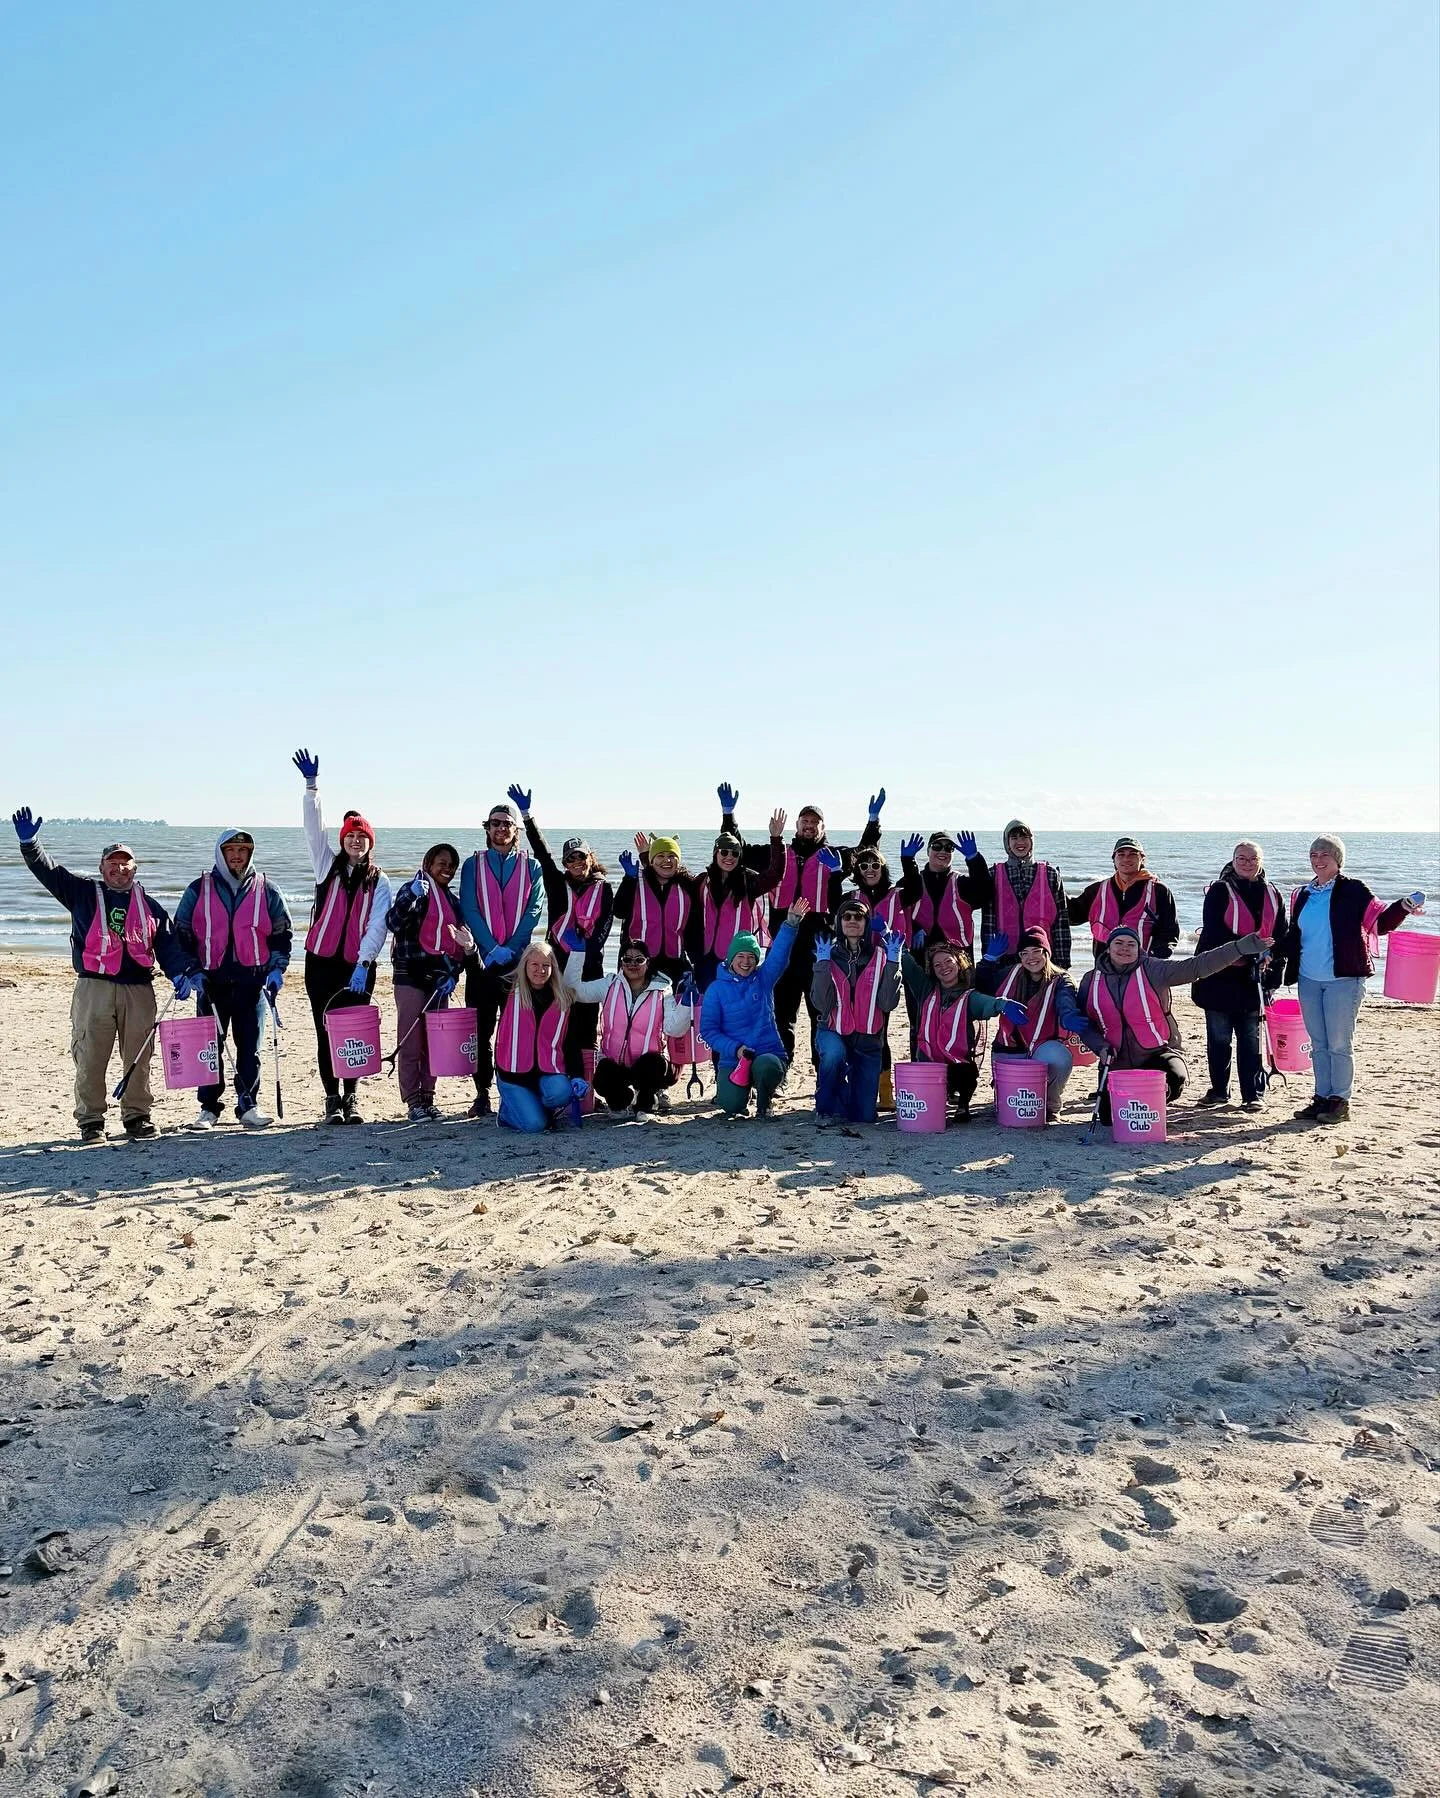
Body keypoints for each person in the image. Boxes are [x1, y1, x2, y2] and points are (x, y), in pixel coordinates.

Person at [12, 808, 192, 1142]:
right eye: (113, 862)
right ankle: (91, 1120)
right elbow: (48, 872)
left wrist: (181, 974)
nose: (119, 869)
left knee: (139, 1055)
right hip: (94, 988)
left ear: (134, 870)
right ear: (102, 867)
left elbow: (168, 945)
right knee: (91, 1055)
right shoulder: (81, 894)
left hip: (138, 990)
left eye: (126, 864)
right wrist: (30, 844)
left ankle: (137, 1116)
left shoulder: (151, 906)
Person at [717, 782, 885, 1065]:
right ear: (796, 824)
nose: (809, 826)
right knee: (782, 1011)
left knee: (821, 1011)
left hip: (819, 947)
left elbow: (866, 851)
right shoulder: (778, 851)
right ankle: (782, 1066)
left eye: (815, 822)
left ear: (823, 828)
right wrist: (728, 814)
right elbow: (738, 851)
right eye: (805, 821)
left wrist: (873, 820)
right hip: (783, 946)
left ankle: (823, 1070)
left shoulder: (834, 856)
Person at [1279, 834, 1423, 1125]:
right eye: (1314, 855)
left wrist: (1403, 907)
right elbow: (1295, 935)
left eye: (1325, 855)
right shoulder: (1302, 894)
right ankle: (1321, 1097)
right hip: (1308, 978)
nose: (1318, 860)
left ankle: (1339, 1101)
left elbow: (1379, 923)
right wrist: (1272, 952)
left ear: (1337, 860)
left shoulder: (1354, 890)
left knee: (1339, 1044)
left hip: (1344, 979)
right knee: (1318, 1043)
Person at [1076, 922, 1270, 1124]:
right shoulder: (1090, 980)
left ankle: (1151, 1099)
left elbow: (1198, 966)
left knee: (1174, 1079)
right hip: (1116, 1061)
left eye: (1131, 944)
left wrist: (1239, 947)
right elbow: (1084, 1024)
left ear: (1139, 948)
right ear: (1108, 948)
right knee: (1108, 1119)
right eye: (1119, 943)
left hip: (1158, 1053)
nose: (1124, 948)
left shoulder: (1154, 969)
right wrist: (1100, 1046)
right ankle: (1138, 1098)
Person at [292, 748, 393, 1124]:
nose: (356, 842)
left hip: (357, 965)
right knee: (325, 1029)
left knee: (352, 1032)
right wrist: (311, 788)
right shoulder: (325, 866)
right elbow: (312, 830)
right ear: (344, 840)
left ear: (370, 843)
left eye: (362, 838)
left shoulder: (378, 879)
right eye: (351, 836)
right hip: (320, 962)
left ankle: (352, 1098)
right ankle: (331, 1099)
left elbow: (378, 925)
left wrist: (364, 963)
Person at [174, 831, 294, 1130]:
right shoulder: (197, 889)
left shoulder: (268, 890)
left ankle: (248, 1106)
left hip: (252, 985)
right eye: (231, 850)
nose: (237, 855)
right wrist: (191, 972)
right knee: (208, 1049)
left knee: (249, 1048)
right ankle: (208, 1110)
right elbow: (181, 936)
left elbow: (282, 936)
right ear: (220, 853)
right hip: (210, 984)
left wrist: (277, 970)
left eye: (243, 849)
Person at [507, 784, 613, 1054]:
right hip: (557, 961)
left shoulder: (604, 887)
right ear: (565, 863)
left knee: (587, 1023)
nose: (576, 863)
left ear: (590, 858)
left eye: (581, 857)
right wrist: (527, 815)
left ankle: (587, 1089)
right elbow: (542, 852)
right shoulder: (556, 882)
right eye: (570, 859)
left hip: (589, 963)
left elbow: (605, 925)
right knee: (558, 1021)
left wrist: (587, 953)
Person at [458, 804, 544, 1118]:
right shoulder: (472, 865)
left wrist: (511, 947)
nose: (500, 829)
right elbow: (469, 907)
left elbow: (534, 910)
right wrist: (491, 947)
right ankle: (482, 1093)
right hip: (482, 962)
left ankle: (513, 1091)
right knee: (481, 1031)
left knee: (516, 1031)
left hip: (516, 964)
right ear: (487, 828)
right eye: (495, 824)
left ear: (515, 830)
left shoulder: (531, 866)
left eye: (507, 824)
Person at [1192, 841, 1289, 1112]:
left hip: (1255, 981)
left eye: (1252, 858)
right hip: (1218, 977)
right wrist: (1251, 951)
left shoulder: (1273, 893)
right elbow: (1214, 933)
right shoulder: (1219, 892)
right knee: (1219, 1037)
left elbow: (1281, 934)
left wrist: (1273, 964)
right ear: (1233, 861)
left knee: (1250, 1039)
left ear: (1260, 861)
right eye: (1241, 858)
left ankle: (1253, 1094)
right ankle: (1219, 1091)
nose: (1247, 863)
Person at [698, 899, 811, 1119]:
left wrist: (790, 925)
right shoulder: (716, 989)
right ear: (731, 959)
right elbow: (708, 1031)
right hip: (734, 1058)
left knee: (767, 1066)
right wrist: (735, 1049)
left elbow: (778, 956)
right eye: (740, 956)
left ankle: (765, 1099)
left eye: (751, 957)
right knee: (730, 1105)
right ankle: (742, 1093)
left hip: (768, 1053)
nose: (746, 962)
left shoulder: (763, 978)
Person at [385, 845, 474, 1122]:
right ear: (428, 863)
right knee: (410, 1042)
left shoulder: (454, 903)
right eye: (441, 863)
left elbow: (460, 944)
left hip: (438, 980)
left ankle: (428, 1097)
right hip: (409, 976)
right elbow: (393, 923)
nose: (446, 869)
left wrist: (453, 974)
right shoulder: (413, 891)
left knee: (434, 1044)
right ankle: (413, 1101)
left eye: (452, 866)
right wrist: (411, 896)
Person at [564, 942, 694, 1122]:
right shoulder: (609, 984)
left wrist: (687, 1004)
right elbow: (574, 991)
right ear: (621, 962)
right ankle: (622, 1101)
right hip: (616, 1062)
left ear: (647, 963)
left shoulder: (662, 990)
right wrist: (577, 953)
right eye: (627, 959)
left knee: (654, 1064)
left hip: (648, 1065)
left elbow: (674, 1028)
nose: (633, 964)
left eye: (639, 960)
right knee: (602, 1077)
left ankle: (646, 1102)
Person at [900, 936, 1025, 1123]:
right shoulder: (925, 989)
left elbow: (985, 1003)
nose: (944, 967)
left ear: (959, 963)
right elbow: (910, 969)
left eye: (948, 961)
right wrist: (898, 949)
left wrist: (1002, 1005)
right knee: (928, 1092)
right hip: (929, 1058)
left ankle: (963, 1105)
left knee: (967, 1074)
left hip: (958, 1060)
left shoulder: (969, 995)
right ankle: (939, 1097)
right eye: (937, 965)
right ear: (932, 971)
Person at [980, 926, 1094, 1122]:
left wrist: (1068, 1016)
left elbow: (1066, 999)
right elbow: (981, 989)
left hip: (1043, 1046)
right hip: (1010, 1046)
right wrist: (988, 961)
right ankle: (1001, 1084)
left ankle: (1051, 1105)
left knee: (1060, 1056)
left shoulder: (1061, 978)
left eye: (1036, 951)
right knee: (1012, 1105)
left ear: (1046, 953)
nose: (1030, 958)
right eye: (1024, 953)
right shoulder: (1010, 973)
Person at [809, 896, 903, 1127]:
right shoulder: (826, 954)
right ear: (839, 922)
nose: (853, 921)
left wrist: (894, 963)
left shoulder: (882, 956)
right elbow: (821, 1004)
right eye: (847, 917)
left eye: (859, 917)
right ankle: (824, 1109)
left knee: (863, 1117)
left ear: (866, 923)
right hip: (833, 1029)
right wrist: (821, 966)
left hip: (868, 1038)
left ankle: (845, 1096)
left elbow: (888, 1004)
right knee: (832, 1056)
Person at [494, 941, 589, 1133]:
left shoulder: (563, 998)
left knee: (562, 1092)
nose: (540, 970)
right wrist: (471, 951)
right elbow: (480, 977)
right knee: (535, 1125)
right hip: (513, 1076)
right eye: (535, 965)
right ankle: (506, 1112)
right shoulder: (507, 989)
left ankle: (532, 1105)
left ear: (553, 968)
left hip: (547, 1071)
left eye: (546, 965)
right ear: (525, 965)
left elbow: (571, 1043)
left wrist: (578, 1076)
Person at [689, 814, 785, 992]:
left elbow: (774, 875)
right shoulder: (702, 881)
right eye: (724, 852)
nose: (729, 857)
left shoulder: (748, 881)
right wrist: (694, 954)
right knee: (706, 1008)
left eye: (735, 853)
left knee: (735, 1009)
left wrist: (776, 839)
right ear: (715, 853)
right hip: (705, 959)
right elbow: (672, 878)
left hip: (737, 959)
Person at [1068, 838, 1179, 960]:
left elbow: (1170, 932)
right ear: (1114, 860)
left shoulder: (1159, 891)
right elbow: (1072, 916)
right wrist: (1052, 888)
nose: (1126, 859)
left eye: (1132, 854)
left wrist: (1155, 958)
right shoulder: (1097, 890)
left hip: (1144, 967)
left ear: (1142, 859)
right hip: (1105, 967)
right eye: (1121, 854)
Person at [980, 820, 1072, 968]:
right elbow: (988, 922)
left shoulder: (1050, 874)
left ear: (1031, 840)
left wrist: (1063, 963)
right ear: (1007, 842)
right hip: (1005, 958)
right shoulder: (994, 874)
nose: (1020, 842)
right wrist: (989, 959)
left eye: (1024, 837)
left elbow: (1061, 921)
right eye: (1014, 838)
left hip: (1043, 957)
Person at [614, 833, 696, 988]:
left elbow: (692, 929)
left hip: (674, 962)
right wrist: (628, 880)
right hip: (638, 963)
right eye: (660, 856)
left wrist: (694, 963)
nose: (667, 860)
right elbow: (619, 910)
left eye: (672, 856)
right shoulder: (637, 881)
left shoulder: (687, 886)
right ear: (651, 861)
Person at [900, 829, 989, 953]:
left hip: (958, 957)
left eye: (948, 848)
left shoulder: (961, 882)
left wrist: (974, 859)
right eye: (937, 846)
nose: (943, 851)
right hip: (919, 953)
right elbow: (896, 909)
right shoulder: (913, 882)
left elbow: (985, 895)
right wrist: (915, 928)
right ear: (928, 851)